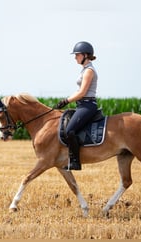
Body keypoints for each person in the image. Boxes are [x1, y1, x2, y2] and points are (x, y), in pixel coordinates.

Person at [56, 41, 98, 171]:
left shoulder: (89, 71)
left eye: (77, 55)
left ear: (85, 55)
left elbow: (82, 92)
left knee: (70, 130)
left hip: (88, 105)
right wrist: (66, 100)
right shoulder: (84, 70)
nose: (75, 57)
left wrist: (66, 101)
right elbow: (78, 91)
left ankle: (75, 162)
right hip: (81, 105)